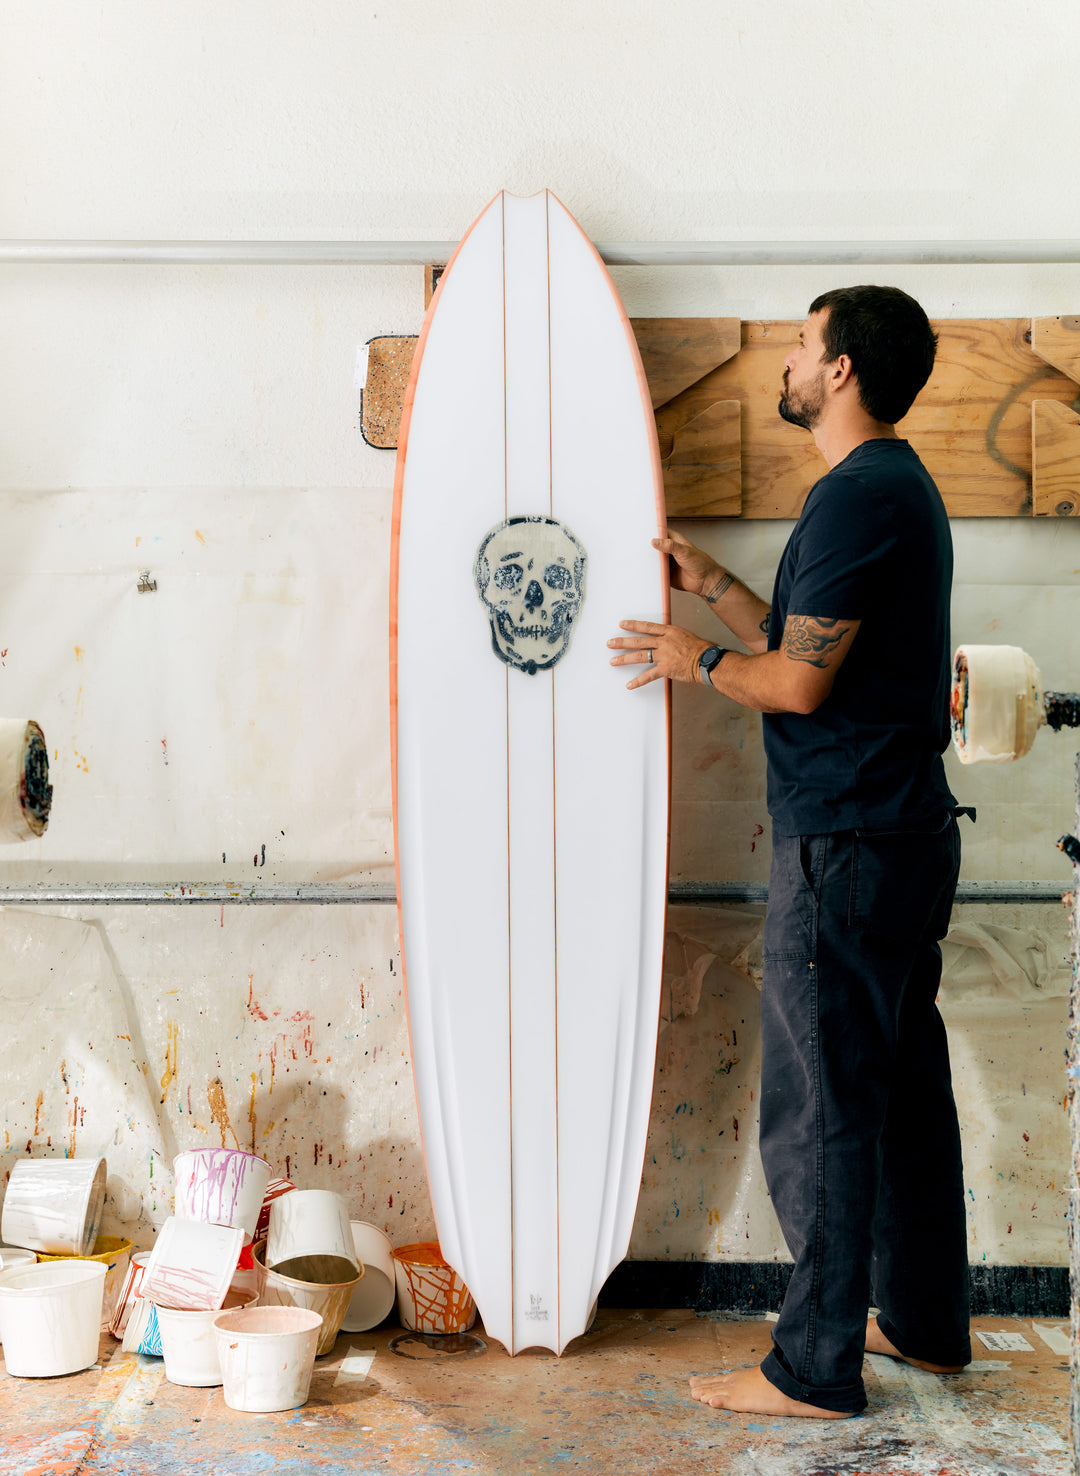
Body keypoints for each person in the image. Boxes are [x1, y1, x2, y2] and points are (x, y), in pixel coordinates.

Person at [608, 285, 971, 1419]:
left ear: (845, 370)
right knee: (903, 1094)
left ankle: (812, 1367)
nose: (789, 359)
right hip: (901, 835)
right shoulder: (892, 491)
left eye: (805, 345)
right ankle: (926, 1328)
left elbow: (799, 684)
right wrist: (715, 591)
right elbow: (816, 646)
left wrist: (690, 661)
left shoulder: (857, 498)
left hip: (847, 845)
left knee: (820, 1109)